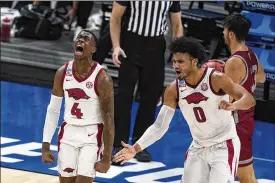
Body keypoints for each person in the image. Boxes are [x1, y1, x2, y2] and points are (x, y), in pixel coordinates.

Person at [113, 36, 256, 183]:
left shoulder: (216, 78)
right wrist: (135, 148)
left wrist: (234, 105)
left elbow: (249, 99)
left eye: (181, 62)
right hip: (198, 147)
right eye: (174, 61)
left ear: (195, 61)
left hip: (224, 145)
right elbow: (160, 126)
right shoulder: (173, 89)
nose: (175, 66)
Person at [110, 1, 183, 162]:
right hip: (130, 42)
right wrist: (116, 46)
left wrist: (178, 55)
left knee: (150, 98)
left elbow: (177, 25)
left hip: (155, 45)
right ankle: (118, 143)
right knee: (124, 96)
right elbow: (115, 17)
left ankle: (140, 145)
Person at [41, 30, 114, 183]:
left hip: (92, 134)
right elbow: (53, 110)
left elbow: (108, 120)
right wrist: (46, 144)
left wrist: (107, 157)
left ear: (93, 49)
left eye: (86, 39)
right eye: (79, 38)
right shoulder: (62, 73)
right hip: (68, 133)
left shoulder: (102, 78)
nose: (80, 40)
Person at [222, 13, 266, 183]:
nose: (223, 34)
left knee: (245, 176)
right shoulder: (252, 55)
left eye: (225, 31)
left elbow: (227, 96)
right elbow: (261, 77)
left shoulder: (234, 62)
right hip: (246, 119)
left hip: (235, 123)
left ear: (231, 34)